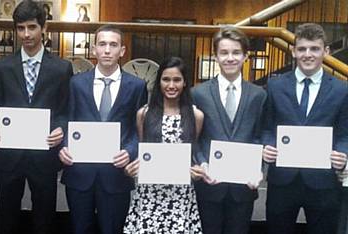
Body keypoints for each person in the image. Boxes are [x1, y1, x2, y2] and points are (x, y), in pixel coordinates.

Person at [0, 0, 74, 233]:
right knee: (5, 217)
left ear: (44, 28)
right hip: (9, 155)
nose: (26, 34)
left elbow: (66, 110)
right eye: (20, 28)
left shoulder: (61, 68)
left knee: (44, 219)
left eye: (32, 27)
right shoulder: (1, 67)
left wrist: (61, 129)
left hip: (44, 155)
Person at [58, 25, 147, 234]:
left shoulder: (137, 86)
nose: (107, 50)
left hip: (116, 174)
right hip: (80, 173)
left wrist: (130, 152)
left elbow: (139, 130)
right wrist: (63, 146)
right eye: (102, 44)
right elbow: (65, 119)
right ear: (94, 49)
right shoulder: (75, 83)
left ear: (122, 51)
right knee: (80, 229)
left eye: (113, 45)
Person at [261, 23, 348, 234]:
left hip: (324, 182)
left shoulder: (342, 89)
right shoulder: (275, 86)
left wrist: (343, 153)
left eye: (314, 49)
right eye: (302, 49)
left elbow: (345, 133)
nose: (307, 54)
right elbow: (266, 127)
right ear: (293, 51)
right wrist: (267, 146)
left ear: (325, 51)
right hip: (282, 180)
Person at [191, 27, 267, 234]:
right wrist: (201, 162)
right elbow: (192, 138)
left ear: (245, 56)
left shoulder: (259, 95)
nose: (230, 58)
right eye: (224, 53)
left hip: (244, 187)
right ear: (215, 56)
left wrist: (258, 169)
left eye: (236, 53)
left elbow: (260, 136)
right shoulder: (198, 93)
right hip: (209, 184)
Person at [123, 56, 205, 234]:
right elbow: (142, 150)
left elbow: (193, 151)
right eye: (166, 79)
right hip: (150, 193)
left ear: (185, 83)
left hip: (181, 194)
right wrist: (131, 169)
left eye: (177, 80)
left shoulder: (195, 115)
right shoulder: (144, 113)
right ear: (159, 81)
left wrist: (198, 169)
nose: (171, 85)